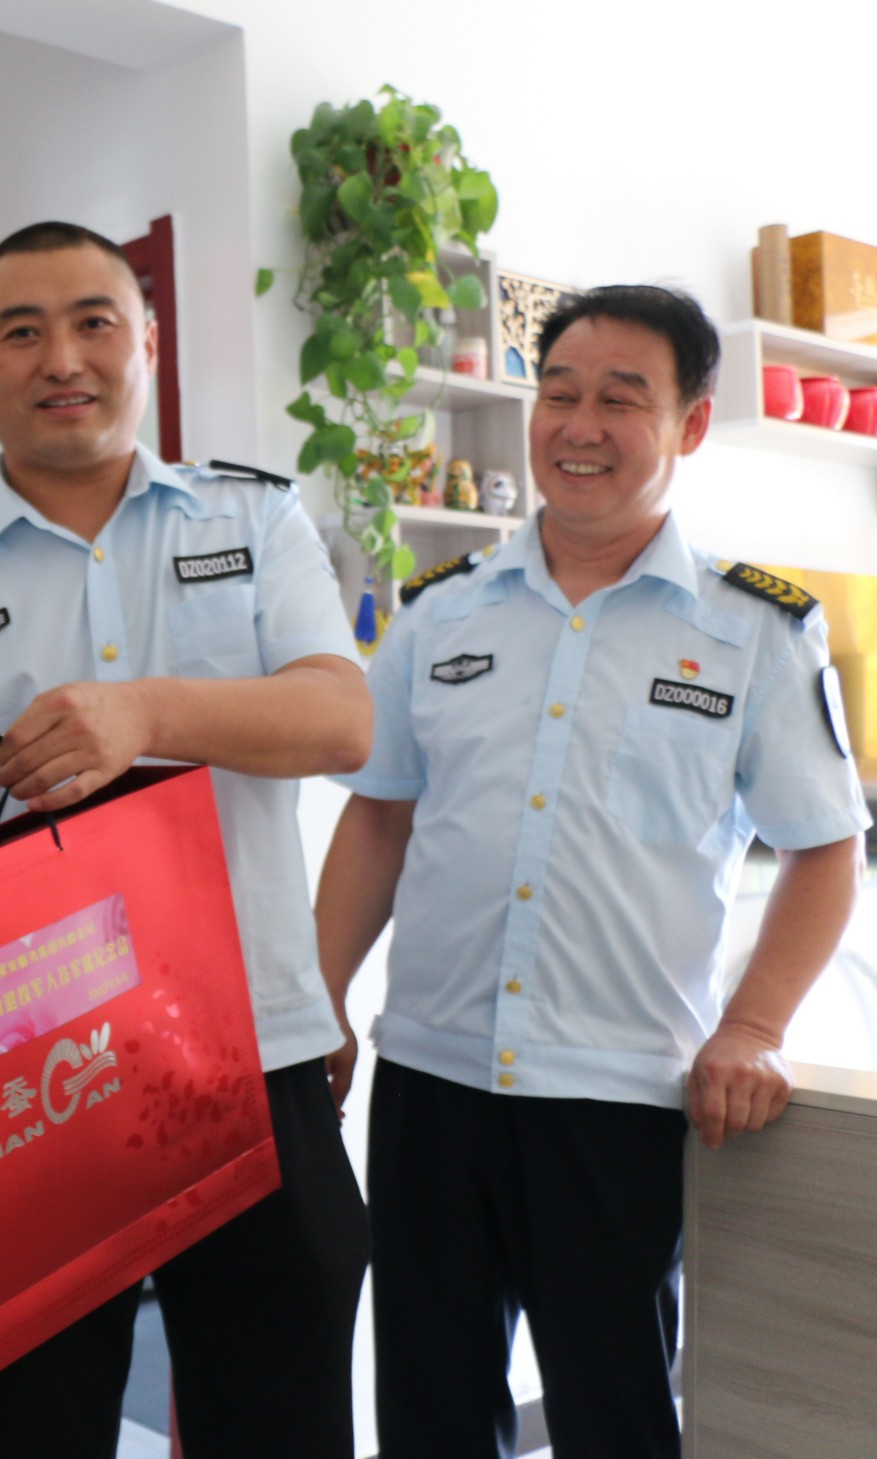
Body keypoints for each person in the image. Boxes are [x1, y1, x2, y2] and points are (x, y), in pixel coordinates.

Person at [316, 284, 867, 1459]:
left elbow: (824, 846)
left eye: (620, 399)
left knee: (612, 1415)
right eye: (556, 393)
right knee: (424, 1412)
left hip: (616, 1098)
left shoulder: (751, 631)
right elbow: (378, 820)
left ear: (689, 424)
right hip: (429, 1079)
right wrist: (320, 994)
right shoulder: (439, 617)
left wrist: (752, 1026)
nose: (578, 425)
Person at [0, 221, 374, 1459]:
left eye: (93, 322)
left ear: (146, 341)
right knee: (32, 1429)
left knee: (279, 1423)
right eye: (19, 331)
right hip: (24, 1083)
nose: (60, 358)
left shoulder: (255, 519)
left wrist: (143, 713)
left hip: (249, 1056)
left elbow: (338, 719)